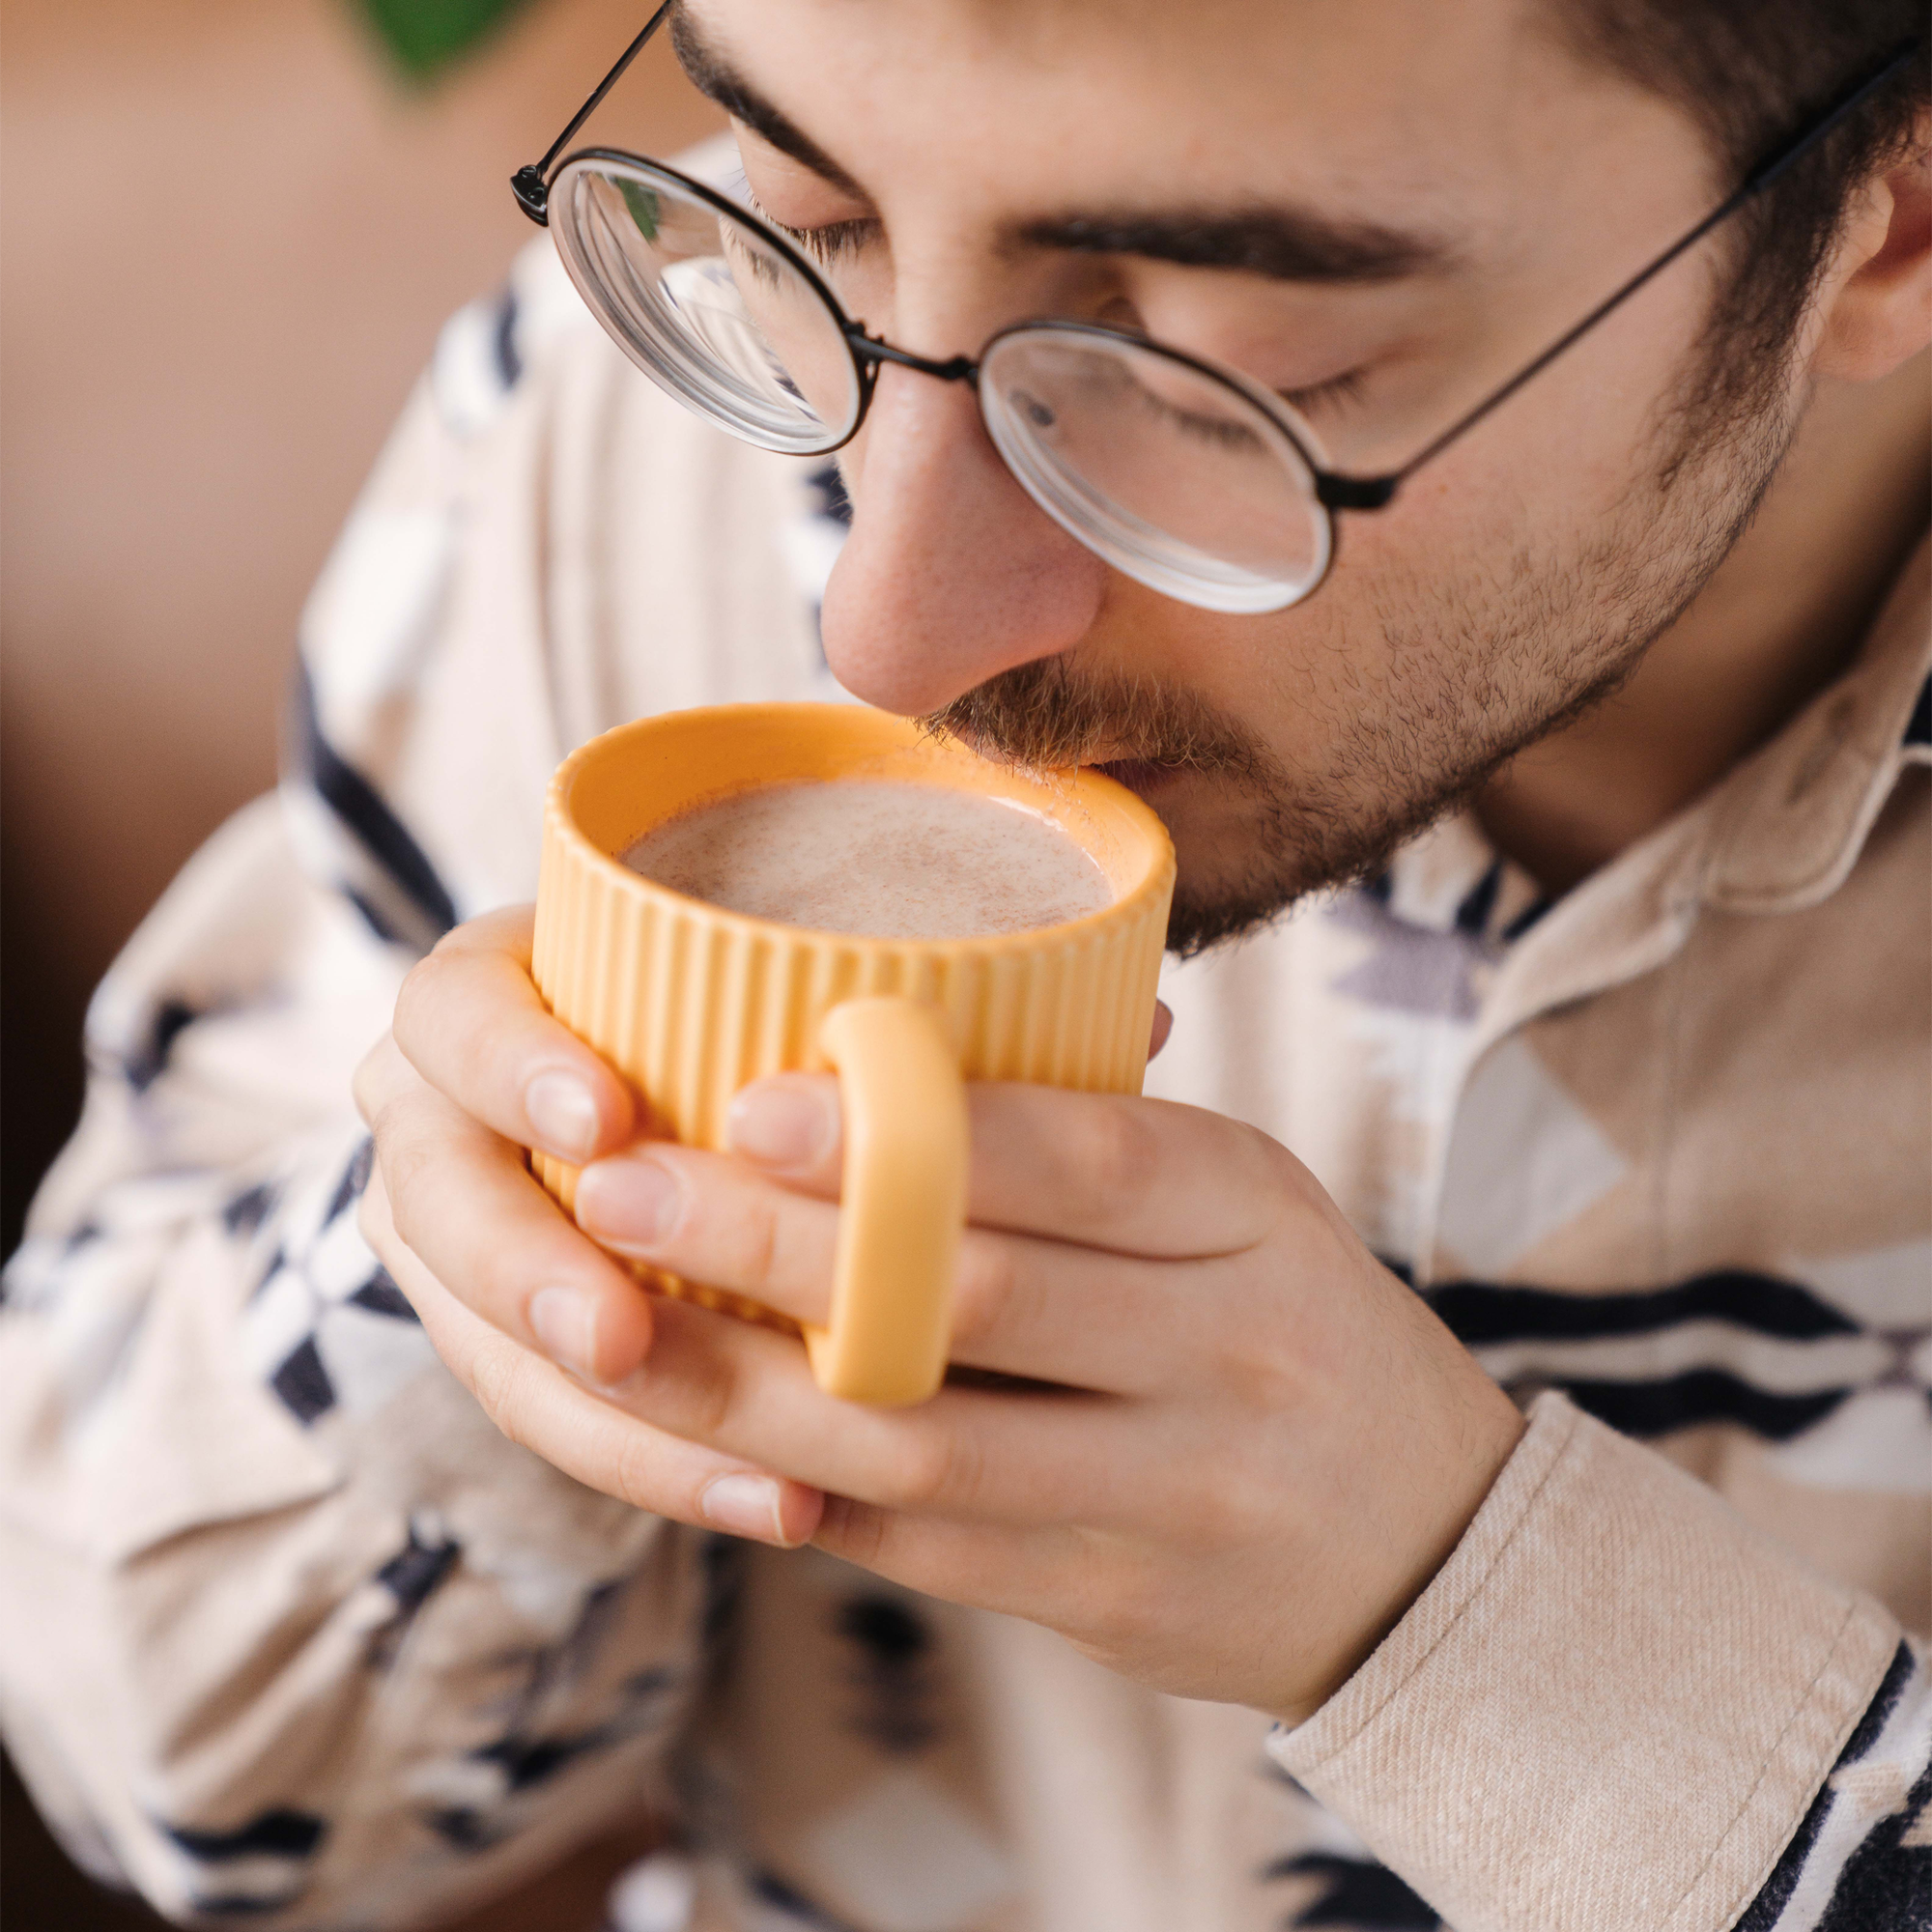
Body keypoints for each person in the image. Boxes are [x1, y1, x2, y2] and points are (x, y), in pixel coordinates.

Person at [2, 2, 1928, 1927]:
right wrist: (483, 1293)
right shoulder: (644, 413)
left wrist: (1462, 1624)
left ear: (1891, 214)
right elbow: (163, 1774)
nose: (880, 624)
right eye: (815, 208)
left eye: (1206, 372)